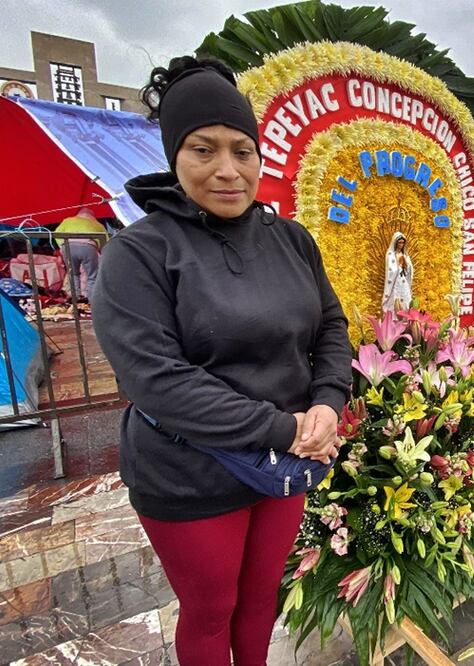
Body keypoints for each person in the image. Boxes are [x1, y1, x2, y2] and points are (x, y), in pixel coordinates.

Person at [91, 56, 352, 665]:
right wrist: (286, 428)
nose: (228, 170)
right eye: (204, 150)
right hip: (191, 470)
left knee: (263, 594)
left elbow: (331, 326)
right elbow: (158, 381)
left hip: (285, 462)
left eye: (242, 149)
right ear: (173, 157)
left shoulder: (292, 240)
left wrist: (327, 402)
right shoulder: (141, 253)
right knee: (211, 609)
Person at [57, 207, 103, 300]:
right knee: (92, 276)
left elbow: (56, 233)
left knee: (73, 274)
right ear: (93, 216)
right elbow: (105, 239)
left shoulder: (67, 221)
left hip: (67, 246)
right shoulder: (97, 224)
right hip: (88, 247)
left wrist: (61, 246)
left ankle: (75, 300)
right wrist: (98, 249)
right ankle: (92, 301)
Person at [381, 231, 414, 312]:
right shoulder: (391, 254)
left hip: (403, 281)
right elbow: (391, 269)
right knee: (395, 298)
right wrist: (398, 267)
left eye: (402, 243)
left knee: (406, 298)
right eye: (399, 242)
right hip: (395, 281)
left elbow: (409, 270)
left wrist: (405, 266)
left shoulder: (405, 255)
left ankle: (406, 314)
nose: (401, 245)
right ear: (395, 243)